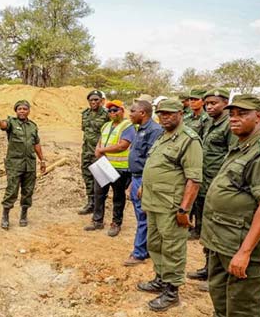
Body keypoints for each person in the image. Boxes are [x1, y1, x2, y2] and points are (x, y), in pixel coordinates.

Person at [200, 94, 260, 317]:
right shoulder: (242, 146)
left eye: (242, 114)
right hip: (222, 241)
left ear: (258, 116)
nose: (234, 119)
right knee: (221, 301)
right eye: (232, 114)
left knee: (242, 309)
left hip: (241, 246)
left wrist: (244, 253)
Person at [137, 99, 203, 312]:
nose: (164, 117)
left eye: (169, 113)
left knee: (173, 247)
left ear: (180, 113)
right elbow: (155, 165)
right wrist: (144, 187)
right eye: (161, 113)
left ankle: (172, 291)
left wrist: (184, 209)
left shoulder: (189, 140)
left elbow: (194, 179)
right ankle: (161, 279)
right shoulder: (163, 136)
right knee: (155, 244)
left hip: (171, 205)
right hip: (154, 202)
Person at [187, 88, 235, 291]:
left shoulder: (229, 126)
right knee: (206, 229)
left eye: (214, 103)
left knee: (217, 231)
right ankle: (208, 268)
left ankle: (216, 277)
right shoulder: (208, 122)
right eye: (207, 103)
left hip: (218, 185)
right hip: (203, 183)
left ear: (225, 103)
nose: (209, 106)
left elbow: (232, 157)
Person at [0, 100, 46, 230]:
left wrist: (42, 160)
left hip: (30, 164)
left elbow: (36, 143)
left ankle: (24, 215)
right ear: (16, 111)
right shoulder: (12, 123)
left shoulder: (33, 126)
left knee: (28, 191)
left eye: (24, 109)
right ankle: (5, 216)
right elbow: (3, 125)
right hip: (15, 163)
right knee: (12, 190)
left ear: (28, 111)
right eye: (19, 109)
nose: (22, 111)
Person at [83, 99, 134, 237]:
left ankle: (116, 223)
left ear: (122, 111)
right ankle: (97, 221)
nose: (112, 113)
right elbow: (100, 141)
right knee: (99, 194)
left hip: (119, 167)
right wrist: (98, 150)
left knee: (118, 196)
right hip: (104, 165)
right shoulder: (106, 126)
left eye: (115, 110)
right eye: (110, 111)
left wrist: (102, 150)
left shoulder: (127, 126)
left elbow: (123, 145)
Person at [123, 100, 163, 266]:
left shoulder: (154, 131)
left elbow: (152, 160)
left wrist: (144, 183)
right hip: (137, 177)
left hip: (144, 179)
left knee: (144, 216)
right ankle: (144, 249)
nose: (129, 114)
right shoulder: (140, 129)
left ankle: (139, 253)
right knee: (141, 216)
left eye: (133, 111)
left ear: (143, 113)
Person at [78, 90, 109, 215]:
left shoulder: (106, 114)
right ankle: (90, 202)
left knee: (101, 179)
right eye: (91, 100)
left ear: (101, 101)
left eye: (96, 99)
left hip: (100, 152)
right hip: (86, 151)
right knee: (87, 176)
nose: (94, 102)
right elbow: (84, 130)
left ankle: (99, 205)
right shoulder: (85, 114)